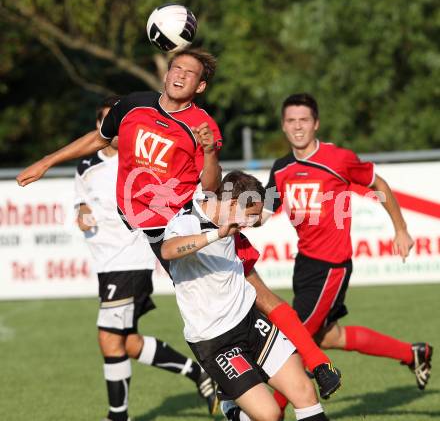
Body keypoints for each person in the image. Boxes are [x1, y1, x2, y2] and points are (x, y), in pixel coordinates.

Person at [16, 49, 340, 399]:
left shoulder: (203, 124)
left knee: (255, 293)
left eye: (190, 72)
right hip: (157, 233)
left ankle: (316, 364)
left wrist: (210, 152)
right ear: (168, 72)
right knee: (218, 309)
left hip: (193, 220)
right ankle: (242, 389)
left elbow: (211, 185)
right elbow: (100, 137)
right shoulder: (133, 105)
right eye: (176, 67)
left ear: (200, 86)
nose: (180, 74)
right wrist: (47, 161)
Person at [263, 93, 433, 413]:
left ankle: (270, 412)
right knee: (328, 338)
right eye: (291, 121)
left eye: (303, 120)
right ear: (283, 127)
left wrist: (400, 229)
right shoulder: (281, 168)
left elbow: (378, 183)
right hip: (304, 264)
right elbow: (263, 212)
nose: (297, 126)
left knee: (294, 341)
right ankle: (413, 353)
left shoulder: (338, 158)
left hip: (331, 267)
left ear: (316, 124)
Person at [74, 96, 216, 421]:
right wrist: (81, 211)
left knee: (109, 340)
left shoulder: (138, 160)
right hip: (106, 264)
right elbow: (80, 201)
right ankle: (199, 375)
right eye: (104, 121)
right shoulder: (86, 166)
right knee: (129, 343)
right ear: (99, 126)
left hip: (131, 260)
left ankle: (117, 416)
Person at [161, 171, 331, 421]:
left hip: (250, 321)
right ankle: (234, 411)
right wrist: (216, 234)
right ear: (232, 204)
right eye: (250, 216)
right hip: (216, 340)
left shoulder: (228, 210)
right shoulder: (187, 221)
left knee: (304, 391)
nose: (251, 224)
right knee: (270, 415)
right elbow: (167, 250)